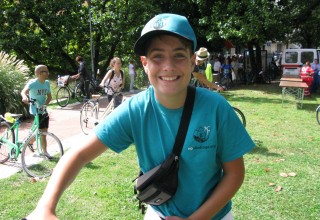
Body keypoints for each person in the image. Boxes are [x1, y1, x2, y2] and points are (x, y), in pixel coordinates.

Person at [26, 13, 255, 220]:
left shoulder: (216, 108)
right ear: (145, 64)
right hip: (159, 213)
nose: (168, 66)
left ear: (193, 60)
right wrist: (45, 207)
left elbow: (235, 173)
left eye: (178, 56)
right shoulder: (136, 110)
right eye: (157, 57)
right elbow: (78, 155)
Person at [21, 65, 53, 159]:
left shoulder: (46, 83)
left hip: (42, 109)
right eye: (45, 71)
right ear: (39, 73)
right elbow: (23, 92)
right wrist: (24, 97)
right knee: (41, 131)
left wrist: (45, 105)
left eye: (47, 71)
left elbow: (50, 97)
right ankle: (39, 148)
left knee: (44, 131)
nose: (48, 73)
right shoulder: (33, 83)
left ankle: (41, 150)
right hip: (35, 109)